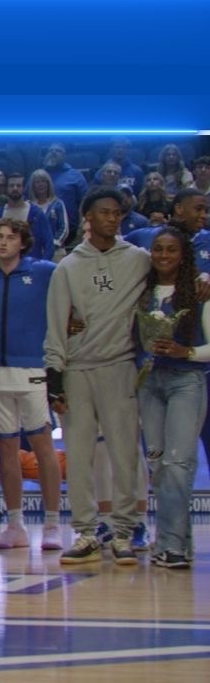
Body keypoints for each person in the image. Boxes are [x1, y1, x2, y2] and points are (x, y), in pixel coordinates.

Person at [45, 188, 149, 566]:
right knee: (78, 455)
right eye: (104, 212)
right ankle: (87, 532)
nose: (112, 218)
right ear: (87, 217)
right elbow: (56, 322)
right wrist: (53, 375)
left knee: (124, 454)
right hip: (76, 369)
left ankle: (124, 532)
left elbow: (173, 272)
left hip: (120, 365)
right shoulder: (68, 267)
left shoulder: (139, 260)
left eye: (117, 212)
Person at [0, 219, 63, 551]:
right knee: (6, 449)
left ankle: (52, 523)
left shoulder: (43, 271)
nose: (3, 242)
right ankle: (15, 525)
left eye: (11, 237)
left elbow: (72, 289)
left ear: (23, 243)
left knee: (42, 446)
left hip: (33, 367)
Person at [136, 228, 208, 569]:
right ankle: (179, 542)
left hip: (186, 382)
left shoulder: (199, 290)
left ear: (184, 254)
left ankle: (170, 546)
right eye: (158, 249)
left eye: (171, 250)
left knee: (178, 465)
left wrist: (186, 351)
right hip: (149, 382)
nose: (164, 255)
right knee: (158, 465)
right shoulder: (142, 289)